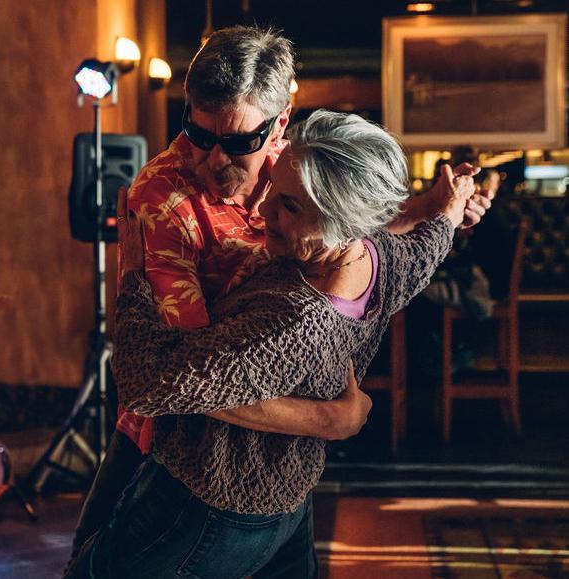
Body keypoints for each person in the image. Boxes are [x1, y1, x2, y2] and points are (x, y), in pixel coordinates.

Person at [68, 24, 491, 562]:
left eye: (239, 142)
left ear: (279, 125)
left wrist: (438, 211)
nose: (214, 161)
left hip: (280, 469)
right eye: (199, 134)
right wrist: (329, 419)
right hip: (180, 455)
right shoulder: (162, 202)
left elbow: (359, 227)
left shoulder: (302, 168)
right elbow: (179, 383)